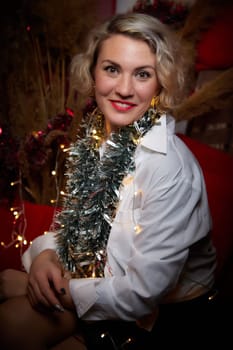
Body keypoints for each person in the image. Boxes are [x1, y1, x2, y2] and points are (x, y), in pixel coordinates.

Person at [0, 12, 218, 350]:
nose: (124, 89)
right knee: (8, 286)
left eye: (142, 74)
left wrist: (57, 289)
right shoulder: (98, 140)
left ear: (162, 82)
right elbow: (77, 231)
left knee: (13, 322)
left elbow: (140, 295)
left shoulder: (169, 168)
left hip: (160, 322)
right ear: (92, 73)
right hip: (103, 283)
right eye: (112, 69)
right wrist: (43, 256)